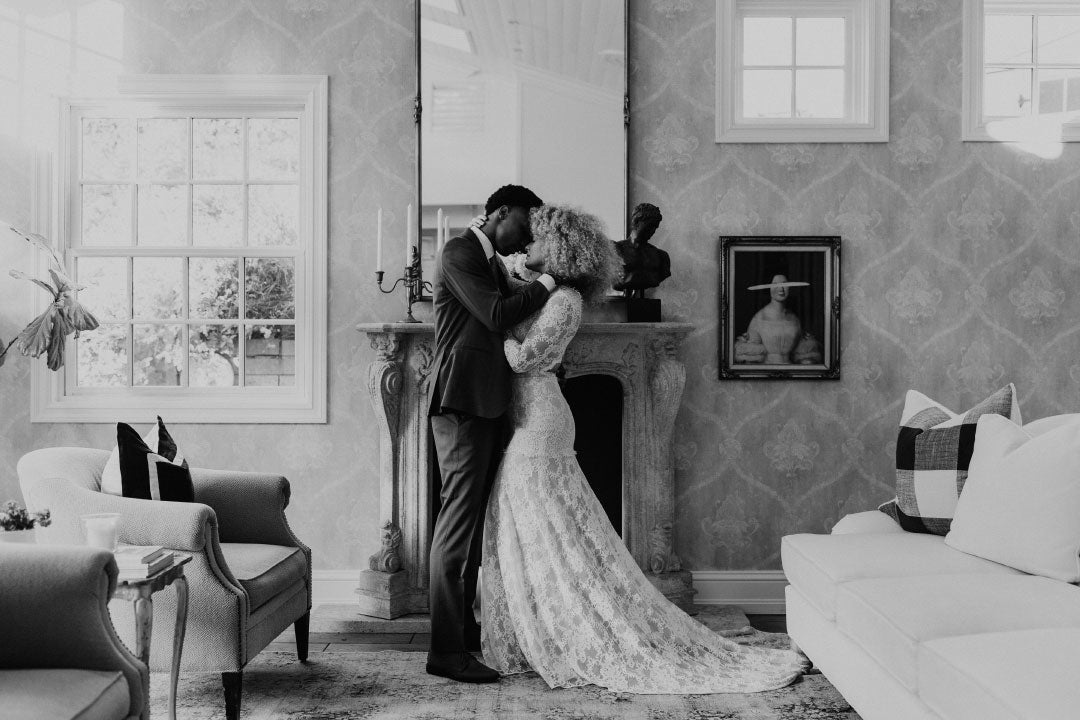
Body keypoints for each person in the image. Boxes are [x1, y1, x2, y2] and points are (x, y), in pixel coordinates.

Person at [480, 204, 806, 693]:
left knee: (555, 530)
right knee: (529, 526)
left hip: (542, 421)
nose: (530, 245)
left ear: (563, 248)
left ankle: (585, 632)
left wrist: (498, 331)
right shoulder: (542, 293)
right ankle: (542, 632)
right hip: (524, 417)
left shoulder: (565, 298)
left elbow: (529, 357)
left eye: (540, 239)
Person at [427, 184, 558, 684]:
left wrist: (536, 277)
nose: (527, 239)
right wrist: (548, 279)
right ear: (502, 212)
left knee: (468, 525)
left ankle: (461, 639)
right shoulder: (460, 252)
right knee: (457, 525)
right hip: (461, 400)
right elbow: (499, 315)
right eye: (525, 226)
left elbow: (511, 310)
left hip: (481, 401)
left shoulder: (492, 262)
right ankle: (445, 651)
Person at [734, 274, 823, 365]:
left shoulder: (794, 319)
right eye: (775, 284)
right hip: (767, 373)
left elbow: (802, 356)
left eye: (785, 284)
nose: (781, 289)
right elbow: (751, 362)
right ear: (769, 288)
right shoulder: (759, 318)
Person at [612, 202, 671, 297]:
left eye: (655, 227)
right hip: (622, 306)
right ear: (636, 222)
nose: (653, 231)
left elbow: (662, 275)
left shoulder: (660, 256)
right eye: (649, 225)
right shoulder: (616, 249)